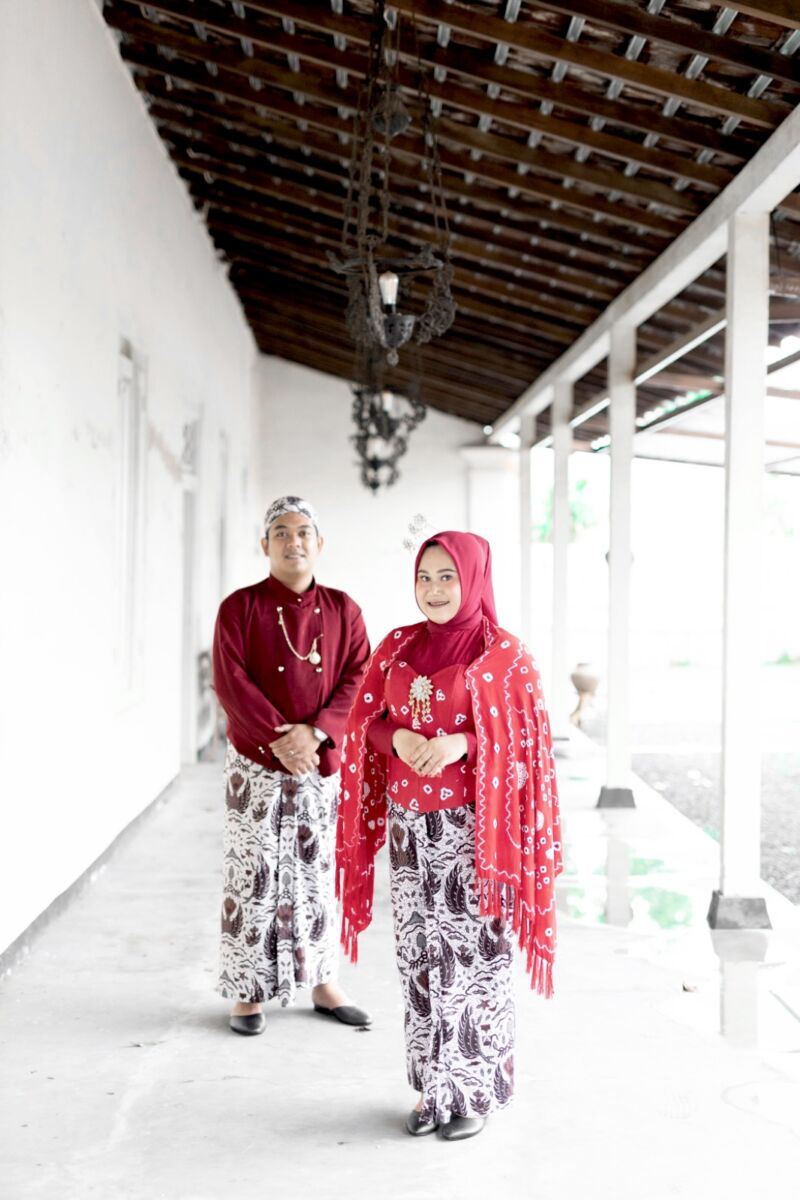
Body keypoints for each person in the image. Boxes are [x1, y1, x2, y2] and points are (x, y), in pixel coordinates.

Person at [336, 531, 561, 1140]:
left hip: (474, 836)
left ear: (474, 579)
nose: (433, 590)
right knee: (419, 955)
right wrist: (397, 738)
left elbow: (529, 745)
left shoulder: (505, 656)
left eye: (447, 577)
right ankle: (431, 1090)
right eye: (424, 576)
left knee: (473, 960)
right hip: (410, 831)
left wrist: (463, 743)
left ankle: (473, 1095)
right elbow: (365, 721)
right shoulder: (397, 645)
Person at [213, 496, 371, 1034]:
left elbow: (360, 676)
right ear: (265, 544)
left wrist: (316, 732)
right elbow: (230, 680)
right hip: (255, 762)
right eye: (281, 532)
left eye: (303, 532)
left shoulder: (345, 610)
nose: (293, 541)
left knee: (316, 872)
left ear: (319, 544)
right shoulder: (239, 608)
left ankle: (323, 982)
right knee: (252, 872)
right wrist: (279, 739)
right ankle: (247, 991)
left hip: (318, 761)